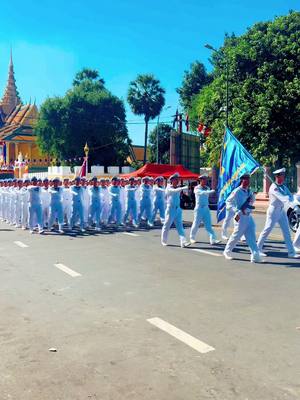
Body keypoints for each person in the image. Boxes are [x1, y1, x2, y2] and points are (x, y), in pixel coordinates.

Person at [257, 168, 299, 259]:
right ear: (277, 176)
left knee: (286, 232)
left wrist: (296, 203)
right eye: (282, 175)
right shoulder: (274, 188)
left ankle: (291, 252)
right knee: (267, 230)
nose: (284, 177)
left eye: (284, 175)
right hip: (273, 211)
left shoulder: (283, 187)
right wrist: (290, 200)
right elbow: (284, 199)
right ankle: (258, 249)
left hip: (281, 211)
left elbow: (291, 197)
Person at [223, 174, 263, 263]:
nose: (247, 181)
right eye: (245, 180)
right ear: (242, 180)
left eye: (248, 180)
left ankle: (255, 255)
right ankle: (227, 251)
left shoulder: (249, 191)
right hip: (240, 217)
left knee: (251, 236)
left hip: (248, 216)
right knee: (236, 236)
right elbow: (228, 202)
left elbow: (251, 202)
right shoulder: (237, 191)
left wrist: (252, 198)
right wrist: (236, 211)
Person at [161, 173, 190, 248]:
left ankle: (183, 242)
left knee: (180, 226)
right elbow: (174, 191)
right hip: (170, 209)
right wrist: (182, 188)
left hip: (178, 209)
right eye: (176, 179)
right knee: (167, 225)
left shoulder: (178, 188)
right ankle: (164, 241)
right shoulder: (168, 188)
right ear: (171, 180)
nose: (177, 181)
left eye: (178, 179)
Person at [190, 175, 220, 245]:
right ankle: (192, 237)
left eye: (206, 179)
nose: (206, 181)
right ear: (200, 180)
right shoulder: (196, 188)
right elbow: (202, 193)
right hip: (199, 208)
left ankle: (213, 239)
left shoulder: (207, 188)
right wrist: (210, 191)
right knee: (196, 224)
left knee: (208, 225)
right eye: (204, 179)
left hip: (206, 208)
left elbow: (208, 193)